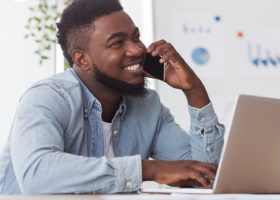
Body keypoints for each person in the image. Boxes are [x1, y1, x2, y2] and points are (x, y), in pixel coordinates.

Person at [0, 0, 224, 194]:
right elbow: (36, 175)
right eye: (118, 43)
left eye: (136, 38)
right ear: (81, 59)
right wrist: (149, 169)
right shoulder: (47, 98)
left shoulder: (149, 106)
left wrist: (194, 90)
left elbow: (205, 178)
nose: (137, 50)